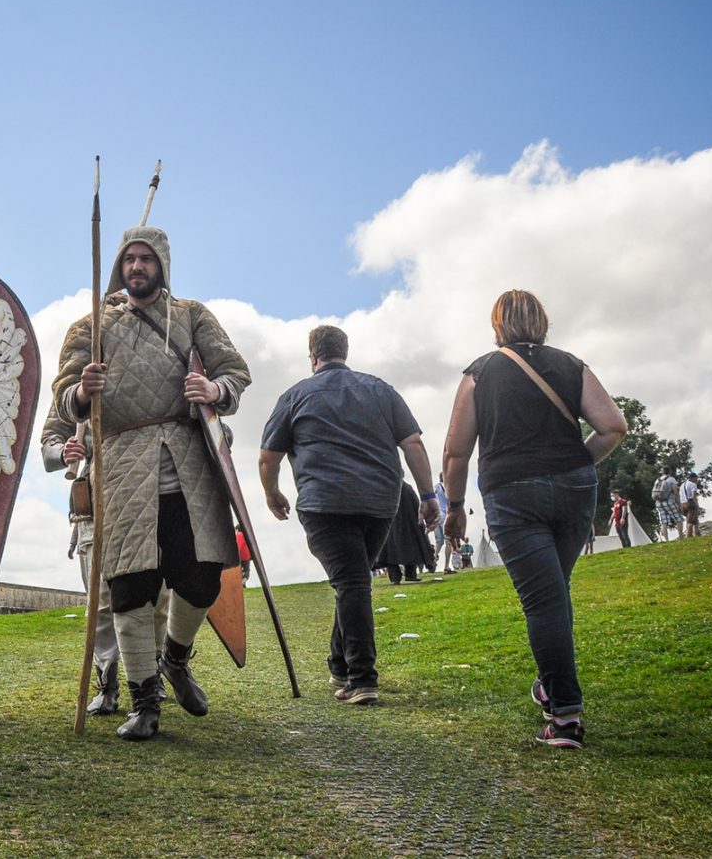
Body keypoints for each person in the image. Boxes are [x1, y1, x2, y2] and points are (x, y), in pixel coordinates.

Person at [54, 224, 251, 741]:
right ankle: (144, 702)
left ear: (162, 264)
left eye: (146, 259)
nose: (136, 267)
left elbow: (235, 372)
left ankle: (176, 659)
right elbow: (61, 398)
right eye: (129, 259)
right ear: (119, 265)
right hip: (121, 464)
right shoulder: (89, 327)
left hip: (189, 461)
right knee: (129, 587)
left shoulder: (191, 315)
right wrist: (81, 391)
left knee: (204, 574)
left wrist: (212, 387)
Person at [442, 290, 627, 749]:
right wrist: (577, 463)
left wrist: (453, 507)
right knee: (554, 592)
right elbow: (613, 427)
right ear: (542, 322)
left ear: (497, 326)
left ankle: (565, 716)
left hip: (511, 491)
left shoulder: (480, 372)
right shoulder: (571, 365)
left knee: (543, 601)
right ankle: (549, 687)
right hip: (574, 489)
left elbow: (456, 451)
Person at [258, 325, 438, 705]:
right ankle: (339, 664)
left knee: (353, 583)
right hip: (379, 502)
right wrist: (427, 495)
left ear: (313, 357)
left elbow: (267, 456)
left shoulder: (294, 396)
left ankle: (361, 678)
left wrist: (272, 493)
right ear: (345, 351)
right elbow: (413, 443)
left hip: (325, 503)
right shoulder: (380, 389)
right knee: (352, 579)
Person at [37, 403, 168, 717]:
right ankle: (107, 683)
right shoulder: (80, 375)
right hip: (97, 503)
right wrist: (64, 452)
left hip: (150, 498)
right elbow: (50, 445)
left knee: (158, 598)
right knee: (101, 602)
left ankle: (152, 674)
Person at [652, 466, 681, 541]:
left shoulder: (657, 480)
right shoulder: (672, 479)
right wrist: (679, 502)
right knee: (678, 519)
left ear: (662, 472)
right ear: (670, 472)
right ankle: (681, 537)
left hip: (658, 502)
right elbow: (675, 492)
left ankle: (666, 540)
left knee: (663, 522)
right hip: (669, 501)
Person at [679, 472, 702, 537]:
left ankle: (697, 532)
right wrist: (697, 505)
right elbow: (693, 496)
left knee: (692, 519)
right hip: (690, 503)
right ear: (693, 478)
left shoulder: (682, 485)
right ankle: (689, 536)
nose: (696, 480)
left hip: (682, 504)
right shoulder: (693, 485)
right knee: (690, 522)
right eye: (696, 479)